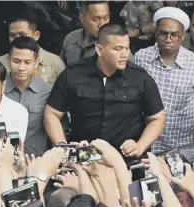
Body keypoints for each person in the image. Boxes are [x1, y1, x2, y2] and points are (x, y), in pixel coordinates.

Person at [45, 23, 165, 159]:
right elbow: (52, 113)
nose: (124, 54)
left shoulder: (140, 78)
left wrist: (140, 146)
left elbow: (157, 118)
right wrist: (63, 148)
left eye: (126, 48)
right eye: (118, 49)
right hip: (84, 156)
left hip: (125, 157)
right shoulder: (73, 74)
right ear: (100, 50)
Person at [134, 7, 194, 154]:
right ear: (155, 33)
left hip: (182, 146)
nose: (168, 39)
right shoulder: (141, 58)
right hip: (146, 144)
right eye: (163, 34)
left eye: (174, 35)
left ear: (183, 37)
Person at [4, 36, 53, 156]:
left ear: (36, 63)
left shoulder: (48, 92)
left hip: (35, 160)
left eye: (27, 62)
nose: (21, 67)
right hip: (2, 159)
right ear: (8, 60)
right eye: (16, 61)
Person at [0, 12, 65, 85]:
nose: (17, 38)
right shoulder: (0, 63)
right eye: (12, 35)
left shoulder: (55, 62)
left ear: (36, 35)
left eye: (22, 34)